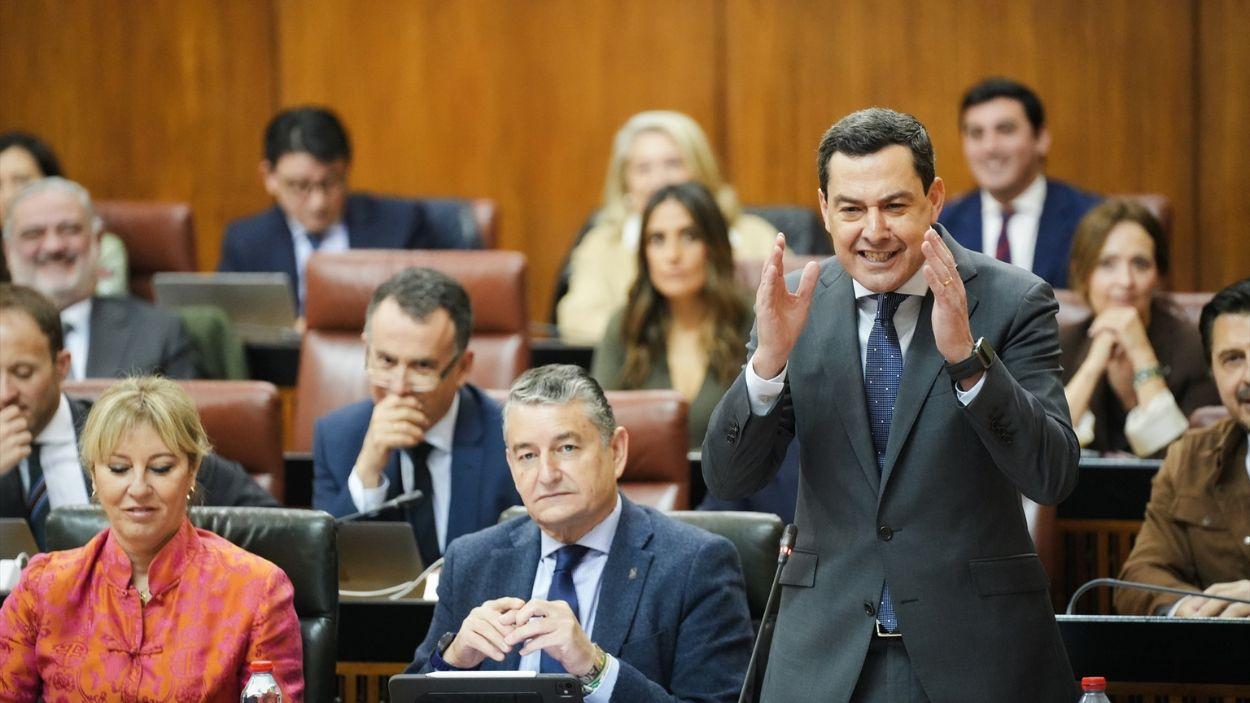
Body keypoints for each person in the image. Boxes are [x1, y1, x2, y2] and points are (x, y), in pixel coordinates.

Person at [704, 108, 1079, 701]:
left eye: (895, 206)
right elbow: (730, 477)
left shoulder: (1012, 299)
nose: (873, 231)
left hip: (976, 653)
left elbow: (1052, 474)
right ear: (824, 209)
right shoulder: (795, 305)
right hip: (823, 654)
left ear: (934, 199)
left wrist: (968, 362)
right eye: (851, 209)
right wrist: (767, 364)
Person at [407, 364, 753, 702]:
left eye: (567, 448)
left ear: (616, 451)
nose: (546, 474)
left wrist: (596, 668)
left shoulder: (695, 564)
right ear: (512, 466)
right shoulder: (471, 561)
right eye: (527, 455)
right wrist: (453, 662)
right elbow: (412, 689)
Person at [0, 375, 303, 701]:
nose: (139, 489)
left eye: (160, 468)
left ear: (191, 470)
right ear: (94, 475)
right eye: (118, 468)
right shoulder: (42, 588)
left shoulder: (256, 591)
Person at [0, 283, 278, 549]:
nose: (5, 393)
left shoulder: (127, 430)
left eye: (23, 373)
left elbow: (277, 529)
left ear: (61, 366)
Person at [312, 267, 520, 565]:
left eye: (421, 367)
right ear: (366, 350)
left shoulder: (511, 440)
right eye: (385, 361)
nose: (398, 389)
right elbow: (326, 573)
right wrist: (368, 472)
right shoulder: (337, 438)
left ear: (462, 368)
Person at [556, 110, 777, 345]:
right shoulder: (603, 243)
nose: (659, 179)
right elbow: (577, 321)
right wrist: (670, 336)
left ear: (702, 170)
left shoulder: (754, 234)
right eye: (643, 169)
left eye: (673, 164)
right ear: (625, 182)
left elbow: (785, 312)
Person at [219, 106, 467, 311]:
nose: (318, 203)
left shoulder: (401, 224)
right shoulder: (245, 243)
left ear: (346, 170)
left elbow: (442, 306)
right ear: (269, 177)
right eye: (300, 186)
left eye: (330, 183)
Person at [1116, 277, 1250, 618]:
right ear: (1213, 372)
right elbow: (1140, 576)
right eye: (1233, 358)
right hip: (1221, 663)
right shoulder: (1191, 458)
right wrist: (1188, 608)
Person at [592, 182, 753, 450]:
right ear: (644, 254)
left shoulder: (753, 322)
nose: (672, 255)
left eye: (689, 236)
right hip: (639, 486)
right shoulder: (625, 327)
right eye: (657, 239)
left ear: (714, 245)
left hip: (738, 490)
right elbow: (598, 432)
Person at [1060, 199, 1219, 457]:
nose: (1125, 281)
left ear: (1159, 275)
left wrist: (1142, 356)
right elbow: (1041, 454)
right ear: (1083, 274)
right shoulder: (1060, 343)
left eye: (1140, 264)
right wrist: (1092, 366)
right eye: (1107, 264)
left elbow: (1184, 464)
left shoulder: (1196, 347)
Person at [2, 177, 197, 379]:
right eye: (34, 234)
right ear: (8, 250)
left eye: (69, 230)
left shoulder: (159, 332)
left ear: (97, 240)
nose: (54, 246)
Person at [939, 78, 1101, 289]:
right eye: (976, 134)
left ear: (1041, 138)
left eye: (1005, 129)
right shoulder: (943, 226)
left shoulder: (1091, 217)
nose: (990, 147)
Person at [0, 131, 128, 295]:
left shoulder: (98, 247)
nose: (8, 195)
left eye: (21, 181)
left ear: (51, 181)